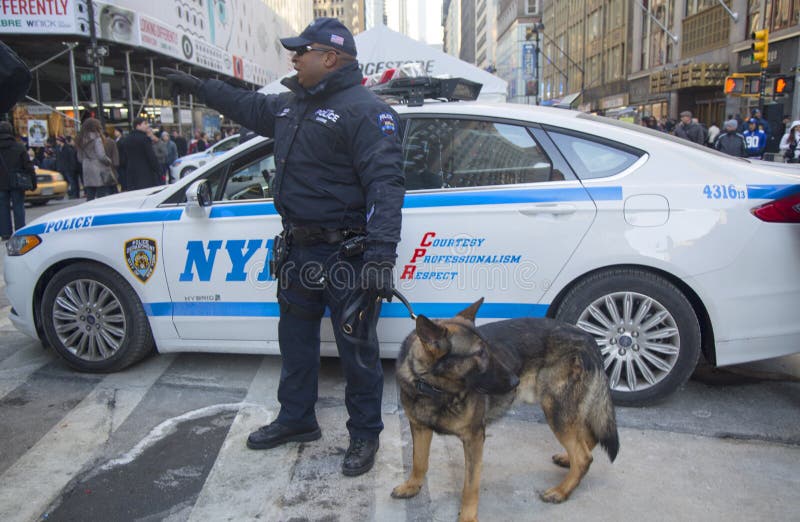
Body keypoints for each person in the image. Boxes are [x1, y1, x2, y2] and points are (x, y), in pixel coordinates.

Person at [163, 17, 404, 477]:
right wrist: (201, 86)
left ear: (330, 57)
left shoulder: (367, 111)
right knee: (295, 344)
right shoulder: (294, 105)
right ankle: (296, 420)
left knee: (358, 350)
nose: (293, 57)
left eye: (302, 50)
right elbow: (247, 104)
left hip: (348, 256)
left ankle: (364, 435)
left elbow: (386, 187)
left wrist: (381, 257)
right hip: (299, 251)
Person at [0, 121, 35, 240]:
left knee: (2, 208)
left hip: (1, 183)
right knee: (18, 207)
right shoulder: (19, 147)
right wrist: (33, 183)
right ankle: (20, 232)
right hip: (17, 182)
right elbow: (28, 166)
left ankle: (5, 233)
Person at [76, 118, 116, 200]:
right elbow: (101, 155)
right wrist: (108, 161)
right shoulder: (97, 139)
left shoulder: (80, 139)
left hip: (86, 167)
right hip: (98, 168)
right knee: (101, 194)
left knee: (90, 193)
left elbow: (79, 158)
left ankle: (89, 210)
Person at [120, 117, 161, 190]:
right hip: (145, 173)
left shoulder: (126, 139)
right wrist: (158, 170)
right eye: (144, 124)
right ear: (138, 126)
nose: (147, 126)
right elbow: (151, 156)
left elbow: (124, 157)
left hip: (131, 173)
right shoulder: (144, 139)